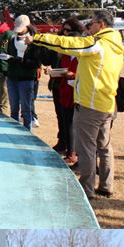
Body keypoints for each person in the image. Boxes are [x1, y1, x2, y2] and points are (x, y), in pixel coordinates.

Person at [29, 10, 124, 200]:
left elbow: (70, 44)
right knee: (104, 147)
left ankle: (87, 189)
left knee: (87, 148)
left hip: (91, 104)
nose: (89, 27)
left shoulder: (97, 44)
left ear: (102, 25)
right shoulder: (116, 43)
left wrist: (38, 38)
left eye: (92, 23)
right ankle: (106, 185)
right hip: (107, 102)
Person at [49, 17, 84, 161]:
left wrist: (73, 75)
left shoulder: (83, 55)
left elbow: (85, 74)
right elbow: (61, 68)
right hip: (63, 91)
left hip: (77, 94)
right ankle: (67, 148)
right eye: (63, 30)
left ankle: (73, 152)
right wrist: (53, 72)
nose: (64, 34)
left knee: (74, 124)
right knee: (64, 121)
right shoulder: (64, 54)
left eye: (68, 31)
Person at [6, 15, 44, 130]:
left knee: (26, 109)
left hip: (26, 79)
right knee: (13, 109)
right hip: (12, 77)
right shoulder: (12, 39)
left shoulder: (34, 40)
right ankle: (14, 132)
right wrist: (9, 59)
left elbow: (37, 63)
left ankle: (27, 132)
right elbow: (9, 53)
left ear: (27, 26)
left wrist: (22, 61)